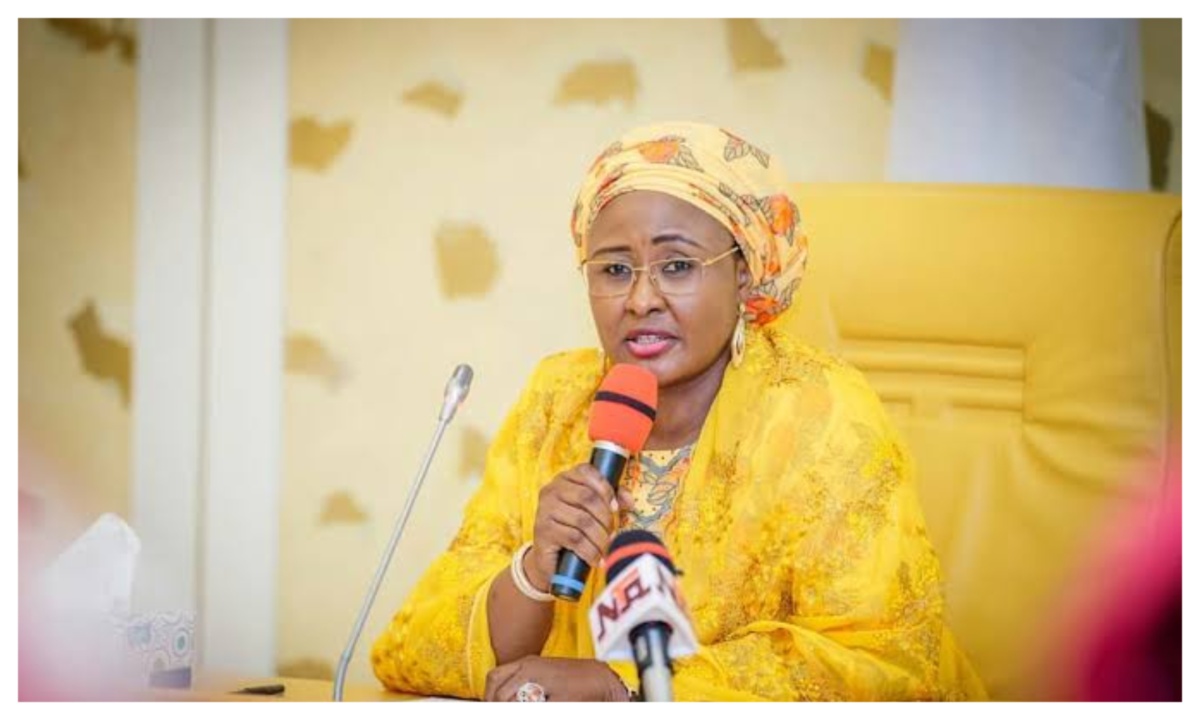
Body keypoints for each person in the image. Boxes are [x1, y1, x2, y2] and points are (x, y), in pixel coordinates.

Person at [371, 121, 988, 701]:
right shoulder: (556, 398)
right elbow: (415, 645)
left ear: (743, 275)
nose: (641, 299)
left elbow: (884, 665)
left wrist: (621, 688)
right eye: (615, 269)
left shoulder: (821, 415)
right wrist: (533, 570)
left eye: (677, 266)